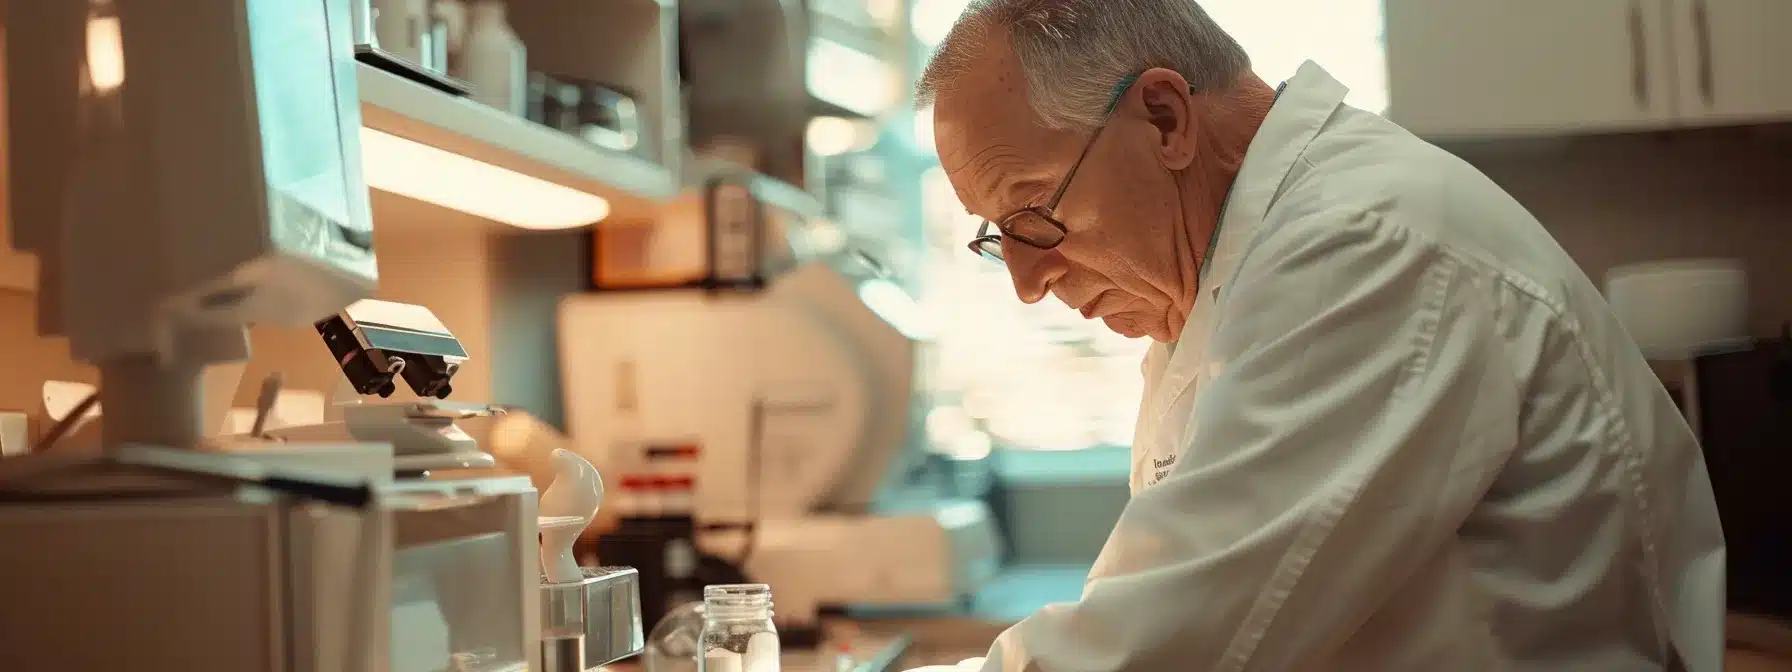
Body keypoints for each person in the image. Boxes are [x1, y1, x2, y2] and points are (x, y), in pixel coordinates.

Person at [906, 1, 1728, 670]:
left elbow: (1169, 641)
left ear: (1163, 119)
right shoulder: (1226, 272)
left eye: (1034, 215)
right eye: (996, 236)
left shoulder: (1364, 243)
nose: (1025, 282)